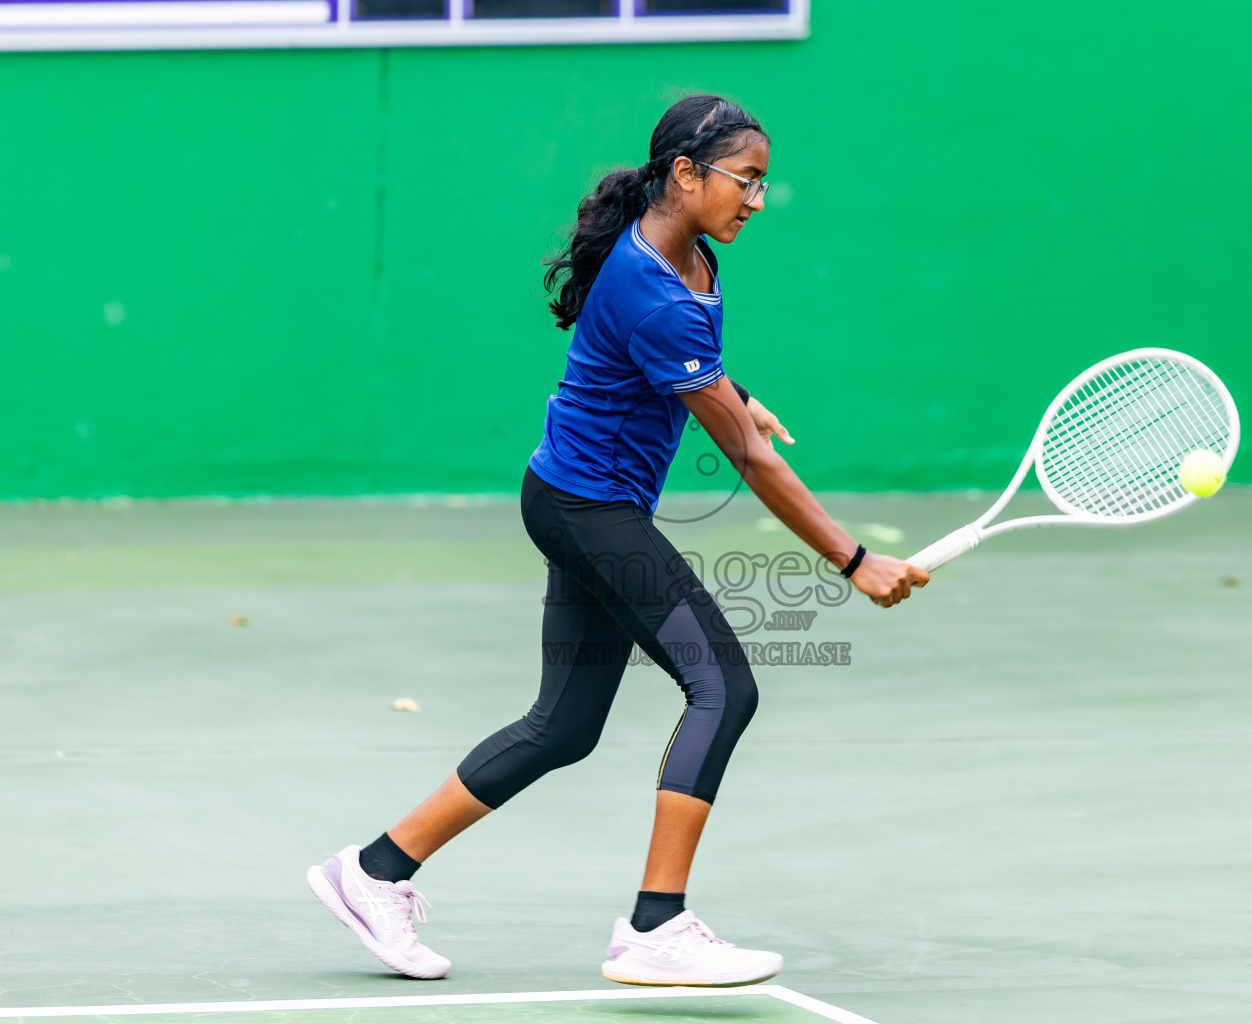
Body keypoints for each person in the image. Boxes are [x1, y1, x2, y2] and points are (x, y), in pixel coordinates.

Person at [307, 93, 929, 987]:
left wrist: (732, 388)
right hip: (588, 510)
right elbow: (748, 460)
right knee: (724, 686)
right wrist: (855, 560)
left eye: (763, 182)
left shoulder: (690, 254)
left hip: (571, 496)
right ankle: (655, 925)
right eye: (745, 180)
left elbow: (677, 372)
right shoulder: (653, 286)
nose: (758, 199)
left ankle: (374, 871)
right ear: (686, 173)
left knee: (562, 726)